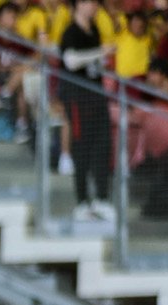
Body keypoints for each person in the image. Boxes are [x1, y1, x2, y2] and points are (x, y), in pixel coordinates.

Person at [61, 0, 116, 220]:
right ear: (77, 5)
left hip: (97, 96)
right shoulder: (71, 32)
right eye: (88, 2)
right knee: (82, 147)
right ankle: (82, 201)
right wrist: (98, 52)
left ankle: (102, 199)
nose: (93, 6)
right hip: (78, 98)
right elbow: (70, 61)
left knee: (103, 146)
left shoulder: (94, 30)